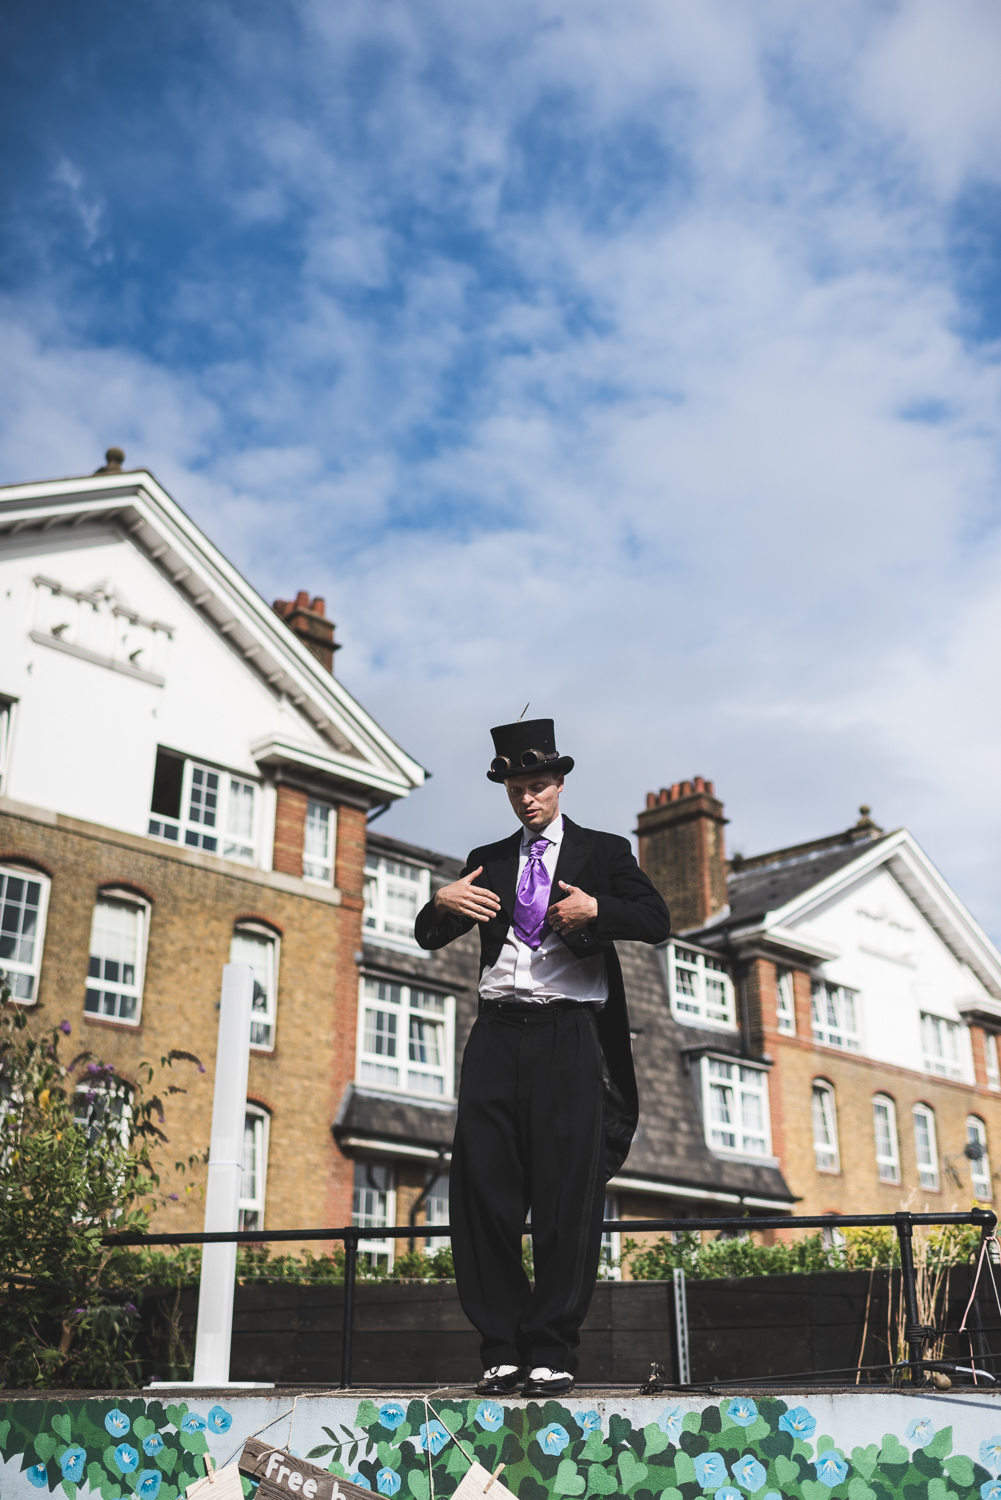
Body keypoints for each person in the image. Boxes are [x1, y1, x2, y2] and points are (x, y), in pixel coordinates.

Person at [414, 718, 671, 1397]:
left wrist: (597, 908)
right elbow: (428, 937)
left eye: (537, 786)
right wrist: (438, 902)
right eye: (515, 789)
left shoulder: (602, 851)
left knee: (566, 1196)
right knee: (482, 1195)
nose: (527, 799)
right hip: (497, 1033)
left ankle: (552, 1351)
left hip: (568, 1035)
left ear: (557, 784)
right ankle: (500, 1349)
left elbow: (657, 920)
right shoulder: (490, 857)